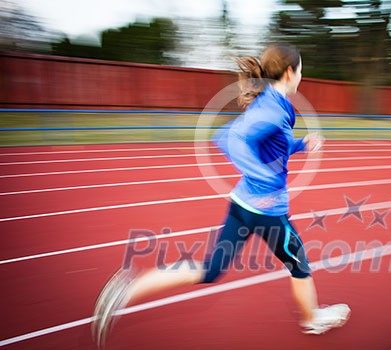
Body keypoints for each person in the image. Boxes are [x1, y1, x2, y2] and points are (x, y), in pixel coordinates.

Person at [92, 44, 350, 348]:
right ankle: (311, 320)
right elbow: (230, 138)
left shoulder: (272, 103)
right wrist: (264, 178)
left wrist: (301, 145)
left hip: (242, 204)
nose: (302, 75)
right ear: (290, 72)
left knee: (211, 270)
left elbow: (271, 149)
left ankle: (129, 288)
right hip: (267, 210)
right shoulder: (272, 107)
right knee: (299, 266)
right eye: (302, 69)